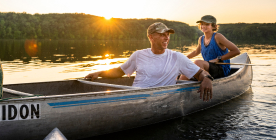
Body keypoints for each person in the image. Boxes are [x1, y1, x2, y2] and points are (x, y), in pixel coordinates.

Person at [85, 22, 214, 101]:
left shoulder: (176, 57)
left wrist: (207, 79)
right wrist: (99, 73)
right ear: (151, 37)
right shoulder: (138, 55)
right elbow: (119, 71)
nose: (166, 38)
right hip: (134, 97)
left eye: (168, 35)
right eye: (162, 34)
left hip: (158, 99)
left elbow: (199, 73)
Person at [179, 15, 240, 80]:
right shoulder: (201, 39)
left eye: (207, 24)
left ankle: (204, 82)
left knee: (197, 62)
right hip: (208, 69)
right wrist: (183, 58)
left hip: (221, 69)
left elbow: (236, 51)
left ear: (214, 26)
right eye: (202, 24)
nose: (204, 26)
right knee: (185, 68)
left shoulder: (218, 37)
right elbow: (196, 52)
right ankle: (178, 86)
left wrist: (218, 59)